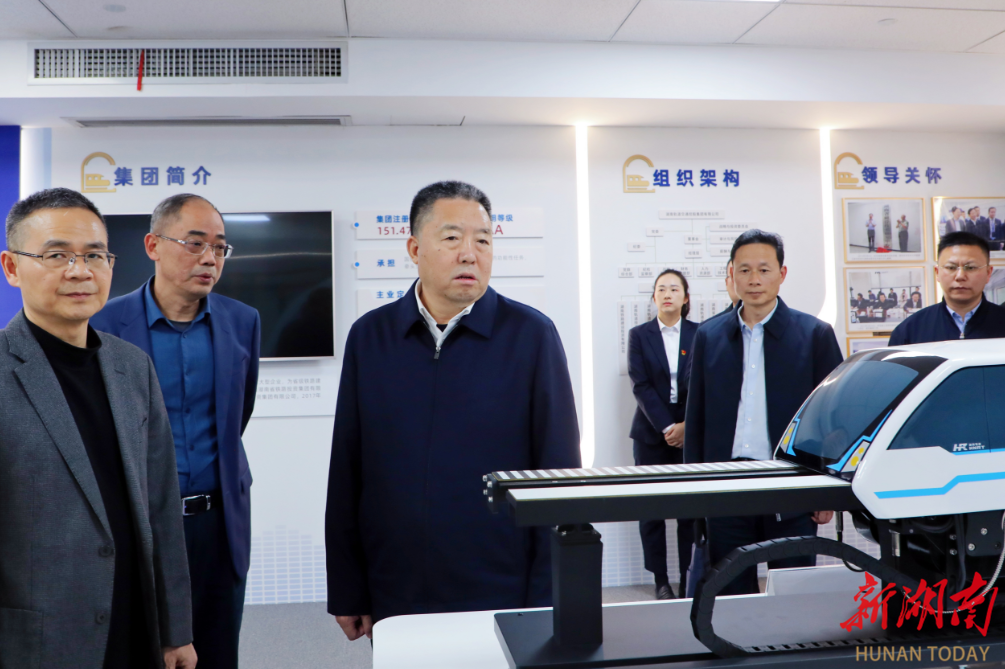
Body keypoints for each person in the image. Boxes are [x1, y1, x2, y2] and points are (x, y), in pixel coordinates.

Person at [327, 181, 580, 640]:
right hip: (395, 588)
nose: (470, 254)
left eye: (482, 240)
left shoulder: (531, 336)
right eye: (451, 238)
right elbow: (347, 468)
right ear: (414, 248)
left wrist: (552, 596)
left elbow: (558, 475)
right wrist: (348, 588)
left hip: (500, 587)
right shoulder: (371, 337)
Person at [0, 188, 196, 669]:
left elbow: (161, 508)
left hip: (135, 630)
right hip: (39, 641)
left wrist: (175, 631)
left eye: (94, 255)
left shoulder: (132, 366)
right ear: (11, 267)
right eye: (57, 255)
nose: (79, 271)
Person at [91, 193, 260, 669]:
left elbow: (238, 414)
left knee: (218, 653)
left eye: (220, 247)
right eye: (194, 243)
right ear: (153, 246)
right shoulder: (104, 324)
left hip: (218, 523)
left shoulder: (242, 321)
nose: (209, 258)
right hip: (139, 522)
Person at [684, 229, 843, 596]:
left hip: (792, 484)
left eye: (764, 269)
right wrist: (695, 490)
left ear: (781, 274)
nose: (754, 279)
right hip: (727, 485)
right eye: (744, 270)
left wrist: (826, 491)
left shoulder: (814, 334)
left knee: (793, 593)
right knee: (729, 594)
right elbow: (697, 421)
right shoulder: (708, 336)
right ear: (732, 275)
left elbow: (833, 420)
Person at [628, 269, 697, 600]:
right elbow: (640, 385)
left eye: (674, 288)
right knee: (651, 510)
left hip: (690, 432)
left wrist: (686, 425)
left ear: (686, 297)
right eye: (661, 289)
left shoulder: (701, 334)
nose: (667, 294)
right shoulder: (639, 335)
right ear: (654, 297)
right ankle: (660, 580)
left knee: (689, 511)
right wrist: (668, 427)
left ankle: (688, 578)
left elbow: (705, 383)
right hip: (650, 433)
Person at [889, 231, 1005, 345]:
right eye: (951, 267)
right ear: (937, 272)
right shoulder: (908, 331)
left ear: (988, 273)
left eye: (970, 268)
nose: (960, 276)